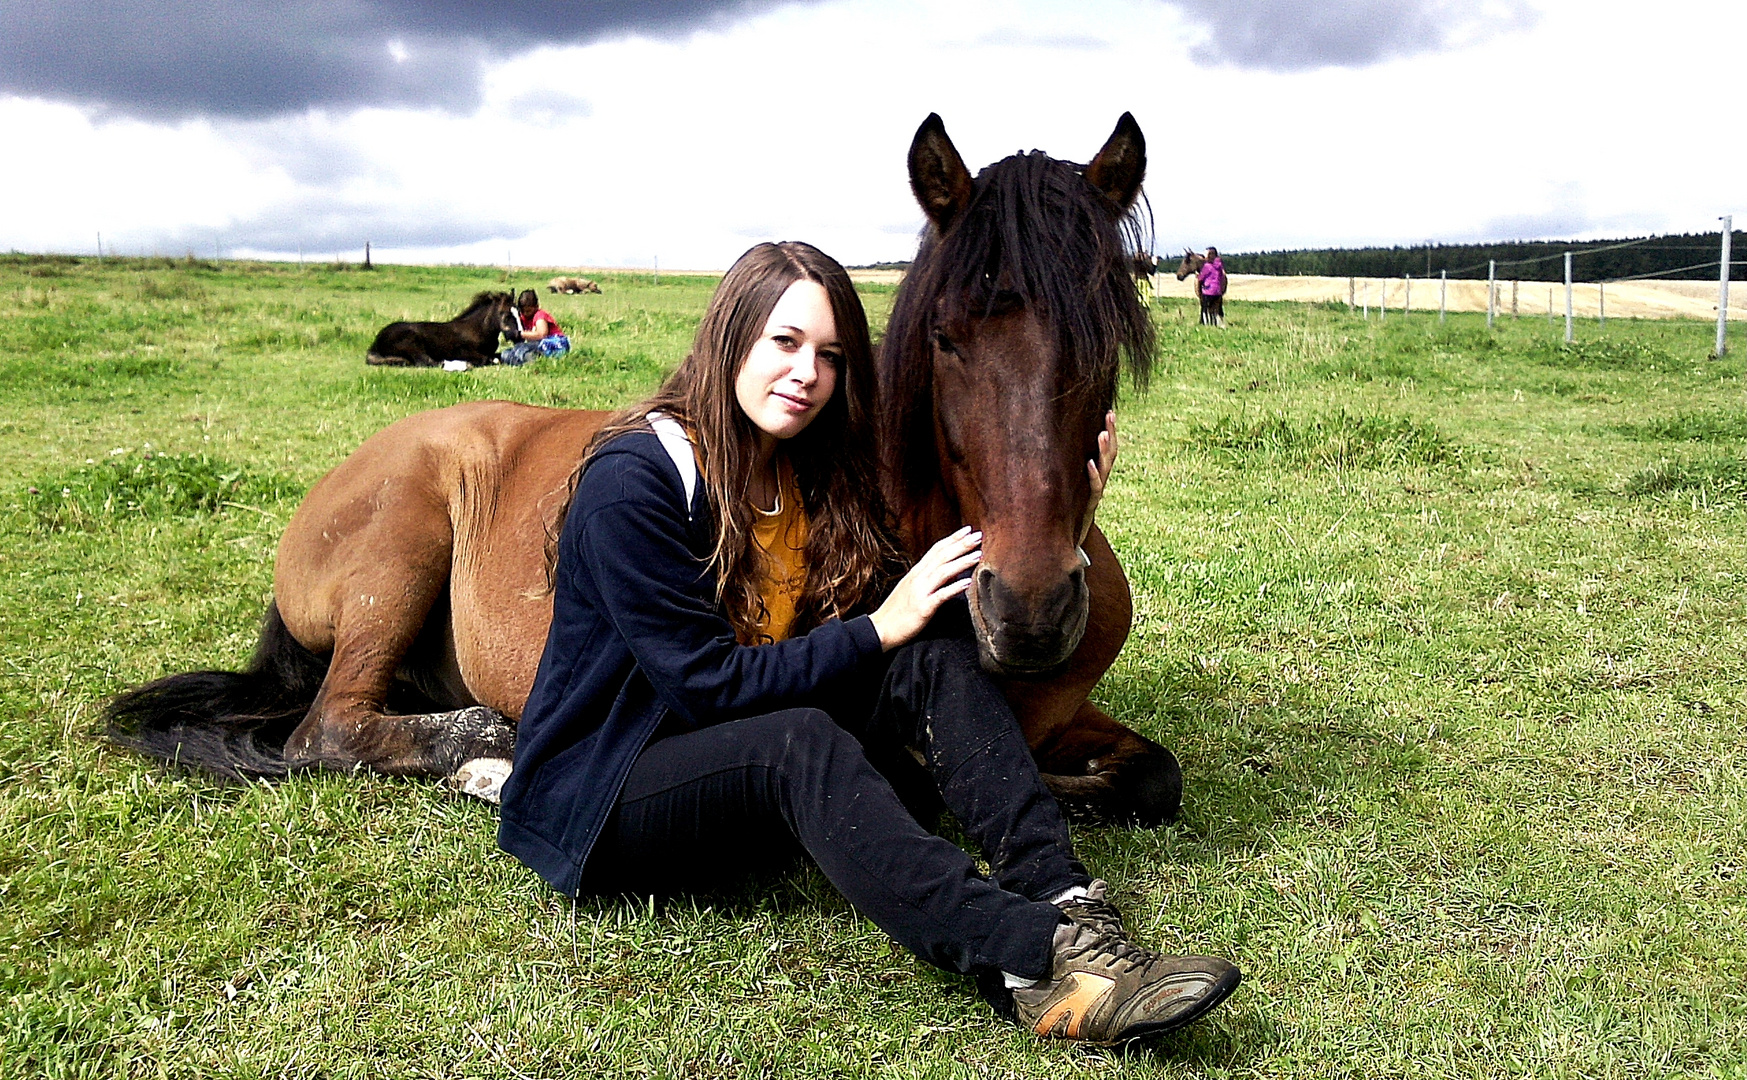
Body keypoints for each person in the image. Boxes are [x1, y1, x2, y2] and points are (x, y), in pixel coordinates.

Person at [496, 241, 1241, 1045]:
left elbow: (923, 627)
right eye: (783, 343)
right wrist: (878, 625)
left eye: (829, 355)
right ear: (729, 337)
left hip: (722, 748)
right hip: (607, 788)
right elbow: (701, 686)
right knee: (799, 742)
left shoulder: (804, 468)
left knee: (930, 656)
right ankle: (1033, 962)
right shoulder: (636, 479)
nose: (805, 373)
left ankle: (1063, 897)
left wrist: (1070, 523)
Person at [497, 289, 570, 365]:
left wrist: (519, 334)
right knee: (506, 353)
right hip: (537, 346)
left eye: (528, 311)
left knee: (521, 349)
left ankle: (533, 361)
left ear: (536, 306)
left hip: (554, 344)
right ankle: (525, 362)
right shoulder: (522, 317)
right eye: (522, 311)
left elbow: (541, 334)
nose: (525, 314)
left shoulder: (540, 316)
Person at [1196, 246, 1227, 328]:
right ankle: (1217, 323)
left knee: (1205, 309)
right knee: (1216, 309)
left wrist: (1198, 277)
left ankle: (1206, 324)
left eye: (1207, 254)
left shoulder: (1206, 267)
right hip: (1217, 292)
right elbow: (1222, 277)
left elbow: (1200, 278)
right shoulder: (1219, 266)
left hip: (1208, 291)